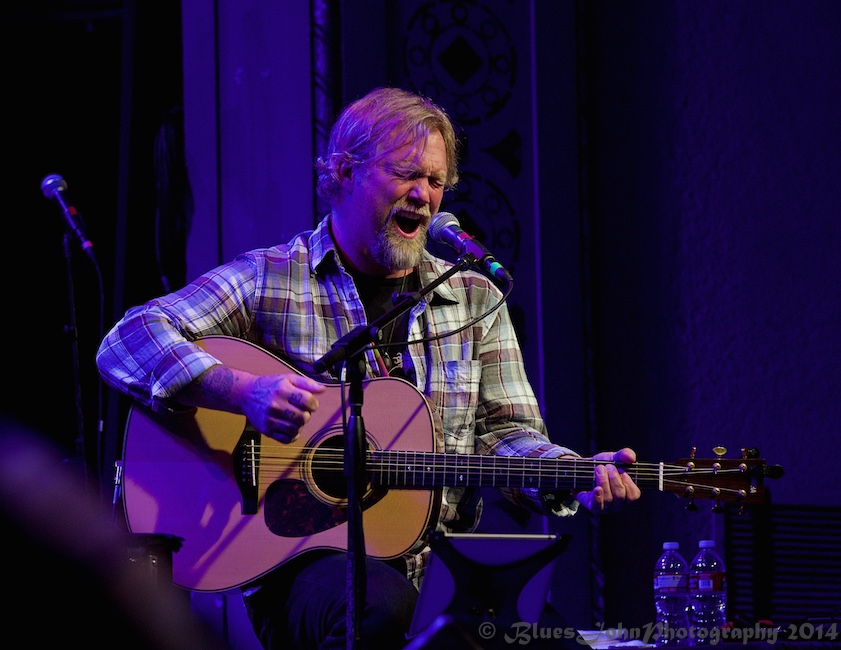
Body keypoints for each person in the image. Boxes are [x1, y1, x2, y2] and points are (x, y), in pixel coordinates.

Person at [96, 86, 641, 649]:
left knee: (558, 645)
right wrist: (244, 392)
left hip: (443, 566)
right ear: (346, 172)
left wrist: (572, 472)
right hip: (305, 565)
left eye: (435, 182)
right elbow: (126, 341)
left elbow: (505, 434)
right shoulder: (273, 278)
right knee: (383, 616)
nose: (423, 196)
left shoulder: (475, 299)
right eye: (407, 174)